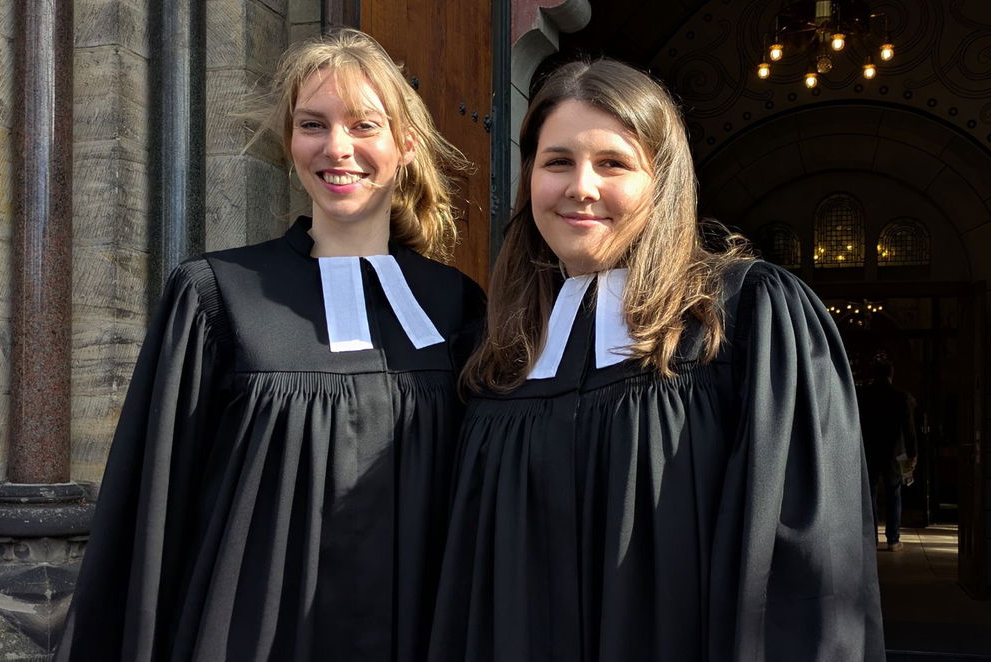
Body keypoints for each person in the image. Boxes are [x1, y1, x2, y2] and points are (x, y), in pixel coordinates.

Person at [430, 59, 885, 661]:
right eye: (557, 161)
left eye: (613, 163)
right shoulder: (491, 354)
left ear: (662, 181)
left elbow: (807, 567)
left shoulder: (745, 316)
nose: (581, 187)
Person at [58, 30, 483, 662]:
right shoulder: (216, 294)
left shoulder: (455, 305)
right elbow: (154, 506)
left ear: (406, 145)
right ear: (290, 142)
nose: (337, 147)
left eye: (364, 125)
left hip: (415, 632)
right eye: (313, 124)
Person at [857, 362, 919, 551]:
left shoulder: (864, 396)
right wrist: (913, 454)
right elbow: (909, 429)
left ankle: (871, 538)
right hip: (896, 453)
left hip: (870, 451)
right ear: (892, 375)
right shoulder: (901, 397)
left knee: (870, 495)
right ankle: (893, 539)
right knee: (894, 494)